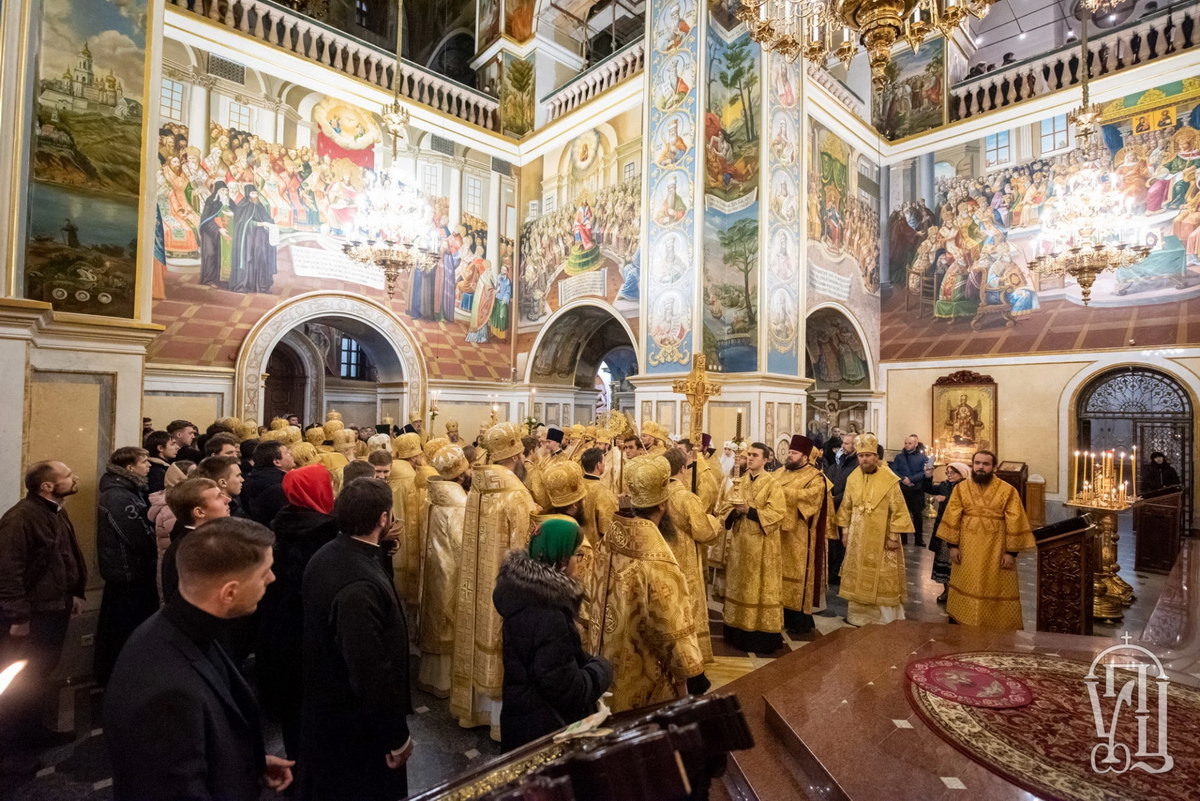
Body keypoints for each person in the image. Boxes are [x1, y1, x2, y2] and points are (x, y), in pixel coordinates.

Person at [104, 518, 292, 801]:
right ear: (229, 592)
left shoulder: (187, 625)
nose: (272, 579)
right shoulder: (166, 694)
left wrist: (248, 763)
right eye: (264, 572)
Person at [300, 478, 412, 801]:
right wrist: (396, 737)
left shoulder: (329, 553)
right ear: (383, 518)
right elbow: (369, 667)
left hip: (329, 711)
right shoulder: (359, 585)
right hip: (356, 727)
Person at [585, 455, 704, 712]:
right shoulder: (658, 561)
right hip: (645, 677)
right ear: (663, 504)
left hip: (603, 664)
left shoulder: (609, 541)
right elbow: (673, 632)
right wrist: (685, 682)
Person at [494, 516, 612, 751]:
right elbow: (568, 690)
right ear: (562, 561)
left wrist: (583, 661)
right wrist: (602, 669)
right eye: (577, 555)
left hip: (521, 719)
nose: (579, 562)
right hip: (543, 731)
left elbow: (551, 663)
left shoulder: (523, 594)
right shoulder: (549, 614)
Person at [451, 422, 538, 739]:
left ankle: (474, 712)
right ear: (515, 455)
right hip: (504, 587)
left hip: (476, 579)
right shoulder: (516, 493)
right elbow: (523, 549)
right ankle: (498, 721)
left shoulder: (478, 487)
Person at [0, 462, 85, 754]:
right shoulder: (21, 518)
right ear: (47, 486)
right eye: (67, 476)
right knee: (23, 678)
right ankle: (16, 745)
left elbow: (65, 556)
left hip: (54, 606)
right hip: (34, 613)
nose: (75, 478)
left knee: (40, 673)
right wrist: (18, 616)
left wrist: (74, 593)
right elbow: (8, 571)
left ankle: (33, 731)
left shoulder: (56, 511)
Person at [258, 464, 337, 760]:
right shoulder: (324, 535)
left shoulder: (282, 525)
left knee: (295, 715)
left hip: (282, 635)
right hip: (315, 637)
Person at [939, 451, 1036, 629]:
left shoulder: (1008, 490)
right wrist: (952, 546)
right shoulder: (961, 488)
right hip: (966, 549)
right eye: (977, 463)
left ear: (994, 467)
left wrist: (1011, 553)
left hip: (996, 549)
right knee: (966, 584)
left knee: (995, 586)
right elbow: (952, 516)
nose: (980, 467)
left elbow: (1015, 521)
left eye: (985, 464)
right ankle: (963, 622)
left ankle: (995, 627)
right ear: (972, 465)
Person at [836, 433, 914, 627]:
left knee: (881, 577)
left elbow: (899, 510)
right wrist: (845, 532)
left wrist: (893, 537)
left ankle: (883, 617)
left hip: (883, 539)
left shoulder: (889, 479)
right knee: (858, 575)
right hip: (857, 538)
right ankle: (858, 616)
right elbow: (846, 507)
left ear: (876, 457)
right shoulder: (853, 478)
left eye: (868, 455)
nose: (864, 459)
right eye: (861, 456)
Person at [94, 447, 157, 684]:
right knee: (123, 630)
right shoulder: (119, 496)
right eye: (144, 462)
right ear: (130, 468)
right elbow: (136, 536)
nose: (149, 465)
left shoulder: (127, 491)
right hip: (127, 573)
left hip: (127, 572)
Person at [717, 442, 787, 653]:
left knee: (759, 587)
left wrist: (749, 510)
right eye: (749, 455)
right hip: (740, 544)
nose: (750, 458)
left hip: (763, 547)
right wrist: (734, 512)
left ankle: (758, 635)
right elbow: (725, 507)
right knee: (739, 585)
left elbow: (778, 514)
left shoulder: (772, 484)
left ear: (766, 459)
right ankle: (736, 630)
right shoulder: (740, 481)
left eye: (755, 455)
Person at [418, 445, 470, 698]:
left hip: (434, 566)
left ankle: (429, 677)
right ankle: (446, 682)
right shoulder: (460, 505)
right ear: (460, 475)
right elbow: (462, 546)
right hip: (451, 569)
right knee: (449, 618)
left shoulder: (433, 495)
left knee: (435, 614)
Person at [775, 435, 836, 635]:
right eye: (789, 452)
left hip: (800, 537)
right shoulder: (779, 472)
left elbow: (812, 499)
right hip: (777, 534)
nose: (790, 456)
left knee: (798, 575)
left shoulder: (815, 477)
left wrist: (783, 493)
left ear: (805, 456)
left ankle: (799, 620)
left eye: (794, 453)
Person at [664, 448, 719, 667]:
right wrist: (715, 522)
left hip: (664, 553)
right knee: (688, 602)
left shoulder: (658, 493)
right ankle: (690, 656)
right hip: (684, 556)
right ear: (683, 468)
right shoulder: (687, 497)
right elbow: (704, 532)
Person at [161, 478, 232, 604]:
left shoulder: (202, 541)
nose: (227, 500)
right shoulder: (195, 552)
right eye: (218, 497)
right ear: (199, 512)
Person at [923, 461, 969, 604]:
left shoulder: (967, 487)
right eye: (947, 473)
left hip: (961, 529)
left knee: (957, 562)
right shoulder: (944, 485)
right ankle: (946, 590)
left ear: (962, 473)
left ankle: (959, 592)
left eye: (952, 473)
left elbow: (966, 504)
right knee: (943, 560)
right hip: (944, 527)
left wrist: (946, 499)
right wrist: (928, 476)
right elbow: (929, 488)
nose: (949, 475)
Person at [389, 432, 423, 605]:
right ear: (414, 456)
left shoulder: (392, 472)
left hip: (392, 537)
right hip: (410, 536)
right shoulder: (412, 479)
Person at [824, 434, 858, 583]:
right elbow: (832, 477)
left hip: (845, 506)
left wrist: (833, 499)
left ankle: (839, 573)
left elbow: (852, 489)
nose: (843, 446)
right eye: (843, 443)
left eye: (847, 444)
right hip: (834, 506)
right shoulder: (841, 460)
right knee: (834, 541)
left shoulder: (857, 464)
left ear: (855, 446)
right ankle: (833, 571)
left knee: (844, 542)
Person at [243, 439, 295, 526]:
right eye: (287, 453)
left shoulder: (258, 478)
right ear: (277, 462)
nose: (291, 454)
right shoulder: (278, 488)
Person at [889, 434, 929, 547]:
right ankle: (903, 538)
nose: (907, 445)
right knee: (902, 514)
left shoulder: (923, 458)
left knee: (917, 515)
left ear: (915, 444)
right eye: (906, 443)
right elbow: (893, 470)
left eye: (910, 443)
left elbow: (924, 472)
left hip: (916, 489)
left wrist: (911, 479)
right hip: (903, 489)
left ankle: (919, 539)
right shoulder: (899, 457)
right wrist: (903, 479)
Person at [579, 447, 619, 546]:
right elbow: (609, 528)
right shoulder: (603, 492)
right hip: (593, 548)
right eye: (603, 462)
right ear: (598, 465)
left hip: (575, 543)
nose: (604, 464)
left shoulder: (577, 485)